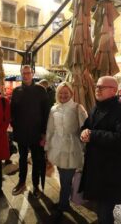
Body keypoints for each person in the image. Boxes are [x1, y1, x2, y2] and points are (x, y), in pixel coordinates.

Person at [80, 76, 121, 224]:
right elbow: (87, 127)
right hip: (96, 169)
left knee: (105, 210)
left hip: (112, 171)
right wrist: (83, 132)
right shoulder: (95, 107)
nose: (97, 89)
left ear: (114, 90)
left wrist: (93, 135)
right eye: (97, 86)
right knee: (100, 208)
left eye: (101, 87)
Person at [45, 82, 87, 214]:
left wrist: (85, 146)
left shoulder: (77, 108)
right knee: (62, 177)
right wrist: (47, 147)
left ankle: (64, 204)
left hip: (72, 148)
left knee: (66, 179)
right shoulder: (53, 109)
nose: (63, 95)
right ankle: (64, 201)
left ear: (71, 94)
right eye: (60, 93)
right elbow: (50, 129)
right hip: (57, 147)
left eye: (66, 93)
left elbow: (86, 128)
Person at [11, 65, 49, 198]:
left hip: (37, 133)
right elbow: (12, 112)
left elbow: (46, 113)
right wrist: (15, 127)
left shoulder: (40, 90)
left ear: (33, 74)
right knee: (22, 159)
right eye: (23, 73)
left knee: (37, 160)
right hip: (21, 132)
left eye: (28, 73)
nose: (26, 75)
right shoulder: (16, 91)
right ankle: (21, 183)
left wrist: (44, 133)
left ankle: (35, 185)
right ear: (21, 74)